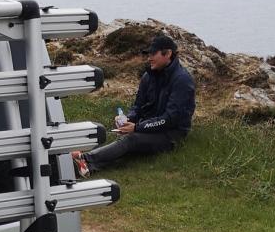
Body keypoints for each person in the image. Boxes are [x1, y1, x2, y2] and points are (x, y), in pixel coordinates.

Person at [71, 34, 195, 175]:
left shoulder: (182, 80)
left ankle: (85, 159)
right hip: (149, 126)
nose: (149, 58)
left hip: (171, 134)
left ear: (168, 54)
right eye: (148, 53)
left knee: (131, 140)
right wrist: (128, 119)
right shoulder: (148, 76)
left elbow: (169, 119)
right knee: (120, 138)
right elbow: (138, 106)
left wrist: (137, 127)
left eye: (153, 53)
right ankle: (86, 167)